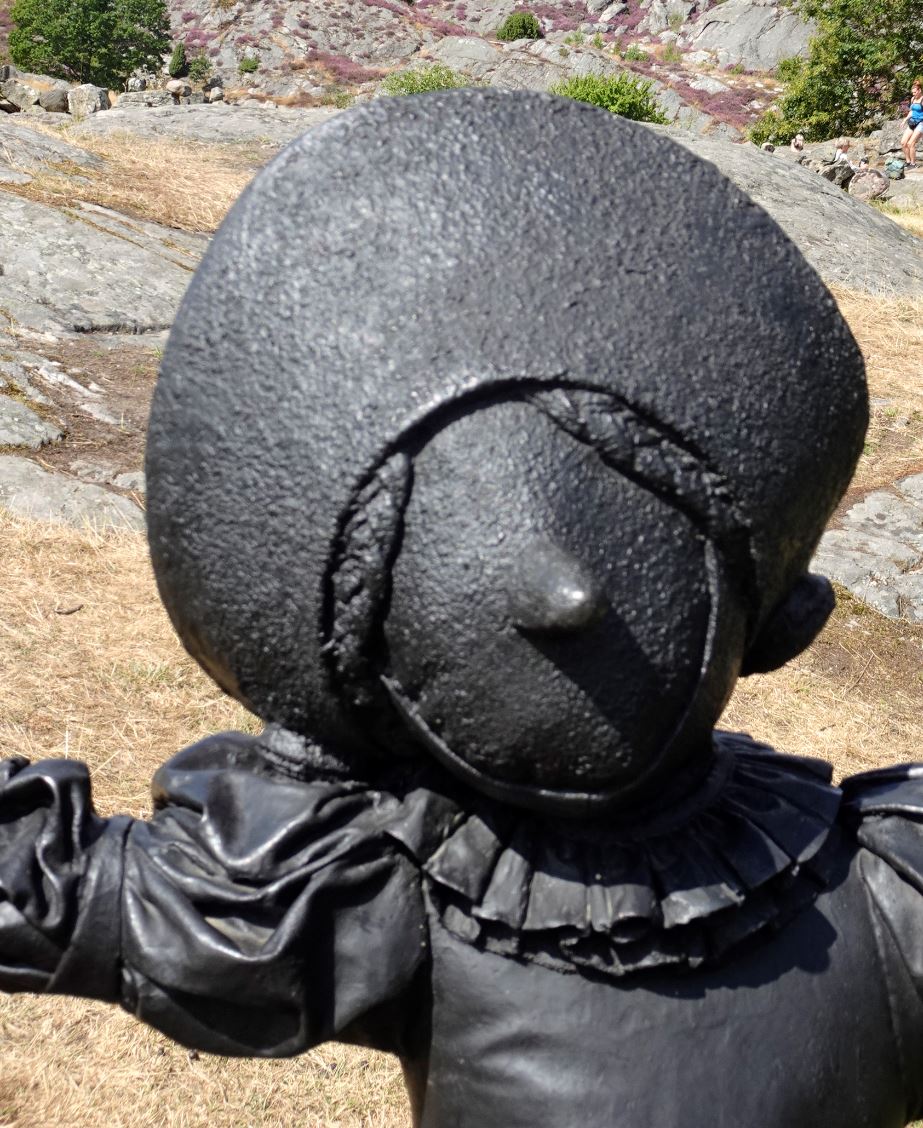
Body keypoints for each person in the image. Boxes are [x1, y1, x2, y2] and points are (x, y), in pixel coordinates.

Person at [5, 90, 923, 1128]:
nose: (564, 598)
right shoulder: (404, 885)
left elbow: (75, 899)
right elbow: (92, 903)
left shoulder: (391, 886)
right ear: (785, 624)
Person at [901, 77, 923, 168]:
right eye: (912, 92)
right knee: (903, 142)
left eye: (915, 92)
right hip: (912, 122)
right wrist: (904, 120)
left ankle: (913, 164)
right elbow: (911, 112)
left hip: (921, 123)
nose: (913, 94)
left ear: (919, 90)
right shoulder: (913, 99)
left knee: (911, 143)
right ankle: (908, 162)